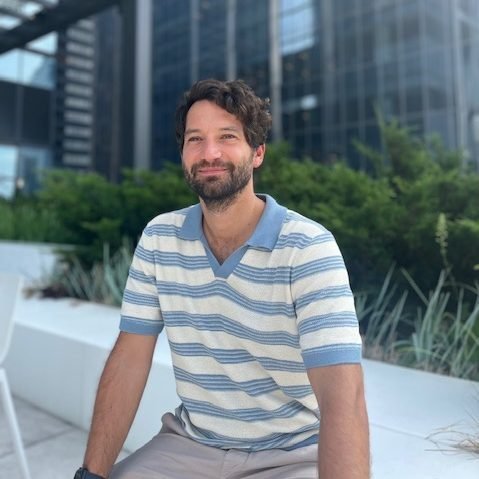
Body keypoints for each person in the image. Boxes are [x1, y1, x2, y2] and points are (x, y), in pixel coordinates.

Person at [75, 79, 370, 479]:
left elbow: (343, 398)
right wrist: (90, 475)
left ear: (258, 152)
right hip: (190, 445)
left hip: (293, 452)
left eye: (227, 137)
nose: (209, 153)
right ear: (183, 153)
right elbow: (130, 357)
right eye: (195, 139)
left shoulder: (307, 247)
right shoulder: (160, 237)